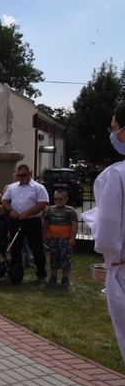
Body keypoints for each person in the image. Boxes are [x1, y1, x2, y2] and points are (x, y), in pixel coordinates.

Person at [82, 102, 125, 362]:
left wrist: (111, 260)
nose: (113, 135)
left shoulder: (115, 176)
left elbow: (108, 233)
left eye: (115, 129)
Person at [2, 164, 50, 283]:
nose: (20, 178)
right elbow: (5, 201)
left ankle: (41, 274)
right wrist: (10, 211)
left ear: (29, 174)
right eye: (18, 175)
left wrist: (26, 213)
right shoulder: (12, 187)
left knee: (36, 247)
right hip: (16, 220)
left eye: (23, 175)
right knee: (16, 248)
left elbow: (42, 203)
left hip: (32, 221)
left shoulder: (38, 187)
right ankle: (16, 271)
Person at [44, 189, 78, 288]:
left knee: (65, 258)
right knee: (53, 257)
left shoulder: (70, 210)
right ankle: (53, 277)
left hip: (65, 238)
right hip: (53, 238)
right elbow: (46, 224)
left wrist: (72, 238)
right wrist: (45, 236)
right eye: (56, 199)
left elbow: (74, 225)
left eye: (60, 199)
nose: (58, 201)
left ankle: (65, 278)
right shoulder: (50, 210)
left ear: (66, 199)